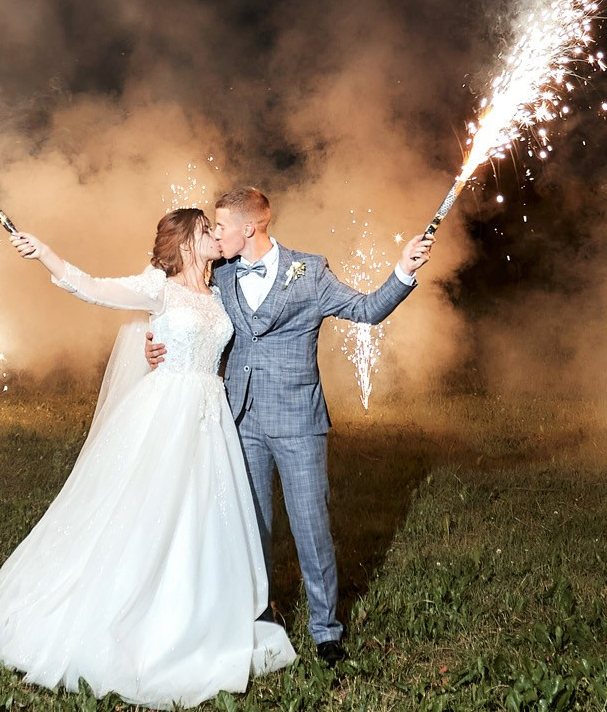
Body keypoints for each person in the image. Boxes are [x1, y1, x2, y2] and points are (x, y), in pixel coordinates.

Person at [0, 208, 296, 708]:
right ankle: (134, 611)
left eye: (218, 230)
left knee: (203, 515)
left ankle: (202, 612)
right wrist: (46, 255)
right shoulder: (158, 287)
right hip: (167, 412)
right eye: (207, 231)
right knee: (150, 510)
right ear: (188, 241)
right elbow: (93, 287)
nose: (216, 237)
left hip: (211, 417)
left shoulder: (221, 289)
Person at [147, 187, 436, 665]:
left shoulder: (311, 271)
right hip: (238, 419)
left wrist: (404, 268)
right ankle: (257, 618)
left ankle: (326, 631)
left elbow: (367, 310)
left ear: (250, 228)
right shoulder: (217, 274)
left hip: (299, 420)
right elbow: (182, 311)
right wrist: (153, 342)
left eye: (221, 227)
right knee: (250, 525)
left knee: (311, 525)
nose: (215, 236)